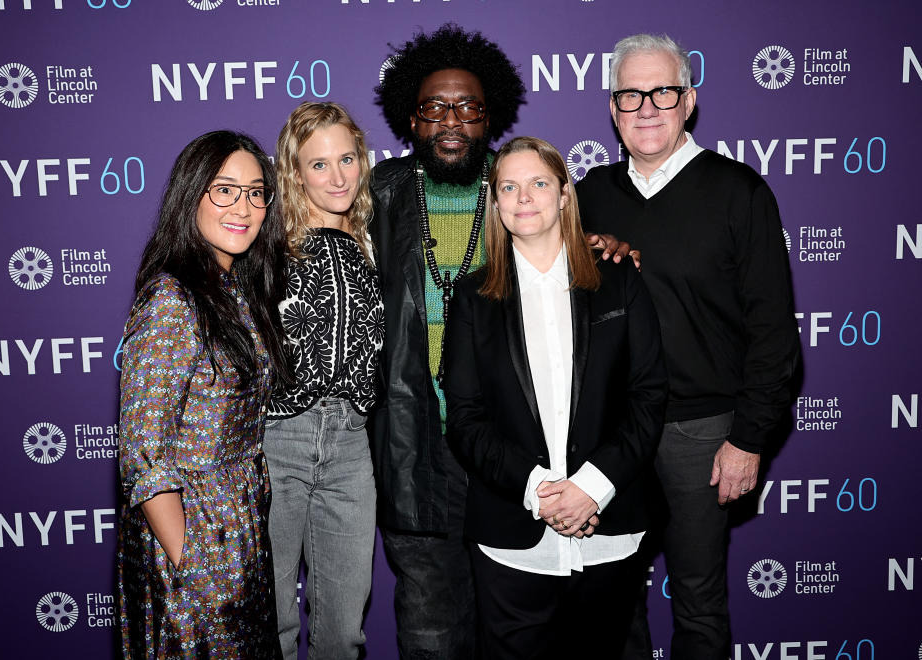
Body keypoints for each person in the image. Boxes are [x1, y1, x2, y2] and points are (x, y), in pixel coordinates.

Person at [370, 24, 633, 658]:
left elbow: (577, 271)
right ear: (411, 118)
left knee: (537, 632)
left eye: (468, 107)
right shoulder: (377, 195)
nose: (452, 121)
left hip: (518, 454)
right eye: (435, 107)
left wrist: (604, 242)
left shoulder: (520, 188)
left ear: (491, 119)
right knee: (433, 630)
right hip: (415, 451)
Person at [577, 34, 801, 660]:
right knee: (612, 597)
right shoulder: (588, 195)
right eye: (630, 95)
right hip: (612, 433)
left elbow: (774, 331)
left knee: (699, 603)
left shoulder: (739, 192)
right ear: (612, 107)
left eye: (663, 92)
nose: (647, 108)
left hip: (703, 433)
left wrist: (749, 438)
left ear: (689, 101)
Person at [443, 137, 668, 660]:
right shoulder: (472, 299)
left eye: (539, 182)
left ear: (565, 195)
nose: (524, 196)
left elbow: (648, 395)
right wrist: (543, 490)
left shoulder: (619, 281)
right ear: (495, 202)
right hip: (511, 538)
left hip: (611, 526)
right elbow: (466, 419)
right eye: (509, 186)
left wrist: (592, 486)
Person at [117, 130, 289, 659]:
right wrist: (192, 561)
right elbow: (145, 454)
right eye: (225, 190)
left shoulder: (235, 289)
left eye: (256, 192)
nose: (244, 207)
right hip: (193, 537)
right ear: (191, 195)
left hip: (240, 531)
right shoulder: (172, 300)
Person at [264, 102, 384, 659]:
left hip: (351, 445)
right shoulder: (264, 248)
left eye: (347, 159)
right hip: (276, 440)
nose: (337, 177)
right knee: (272, 621)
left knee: (343, 632)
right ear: (294, 172)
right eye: (318, 165)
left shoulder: (374, 241)